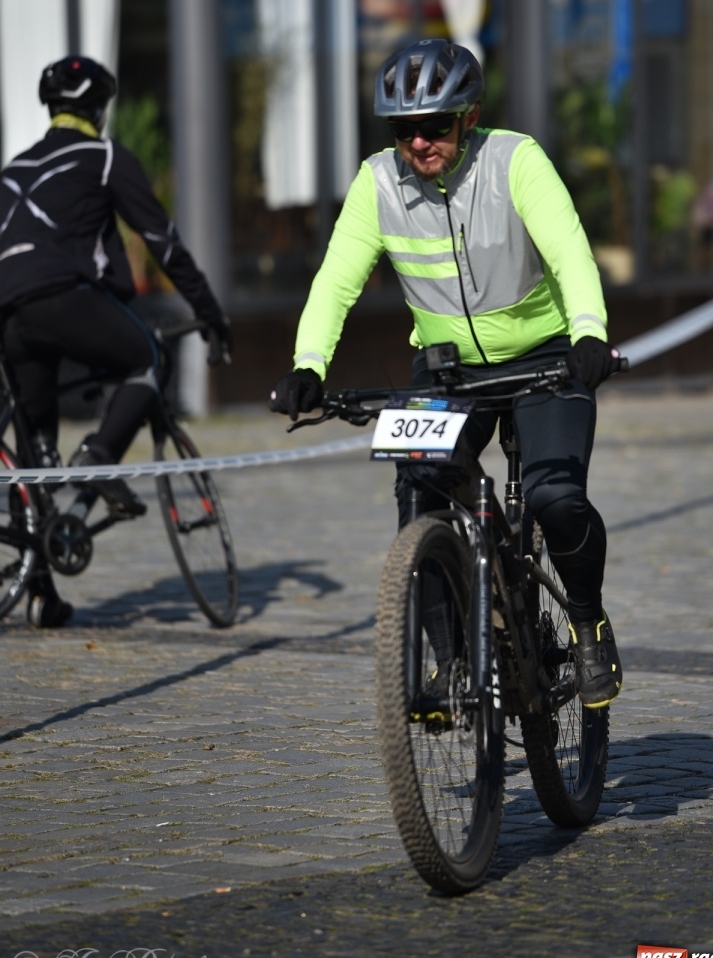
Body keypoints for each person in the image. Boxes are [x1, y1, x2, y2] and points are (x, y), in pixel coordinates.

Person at [270, 38, 623, 708]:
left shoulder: (515, 161)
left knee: (554, 499)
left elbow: (572, 253)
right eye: (405, 130)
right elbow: (335, 282)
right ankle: (448, 663)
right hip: (445, 370)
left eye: (435, 126)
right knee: (419, 488)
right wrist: (306, 365)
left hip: (545, 356)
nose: (419, 143)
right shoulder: (377, 182)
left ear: (469, 116)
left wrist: (588, 335)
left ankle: (585, 620)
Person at [0, 55, 231, 629]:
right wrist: (210, 314)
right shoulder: (104, 157)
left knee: (33, 450)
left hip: (6, 310)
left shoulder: (10, 170)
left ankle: (42, 592)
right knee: (148, 357)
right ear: (99, 110)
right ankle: (98, 459)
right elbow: (163, 243)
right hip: (63, 297)